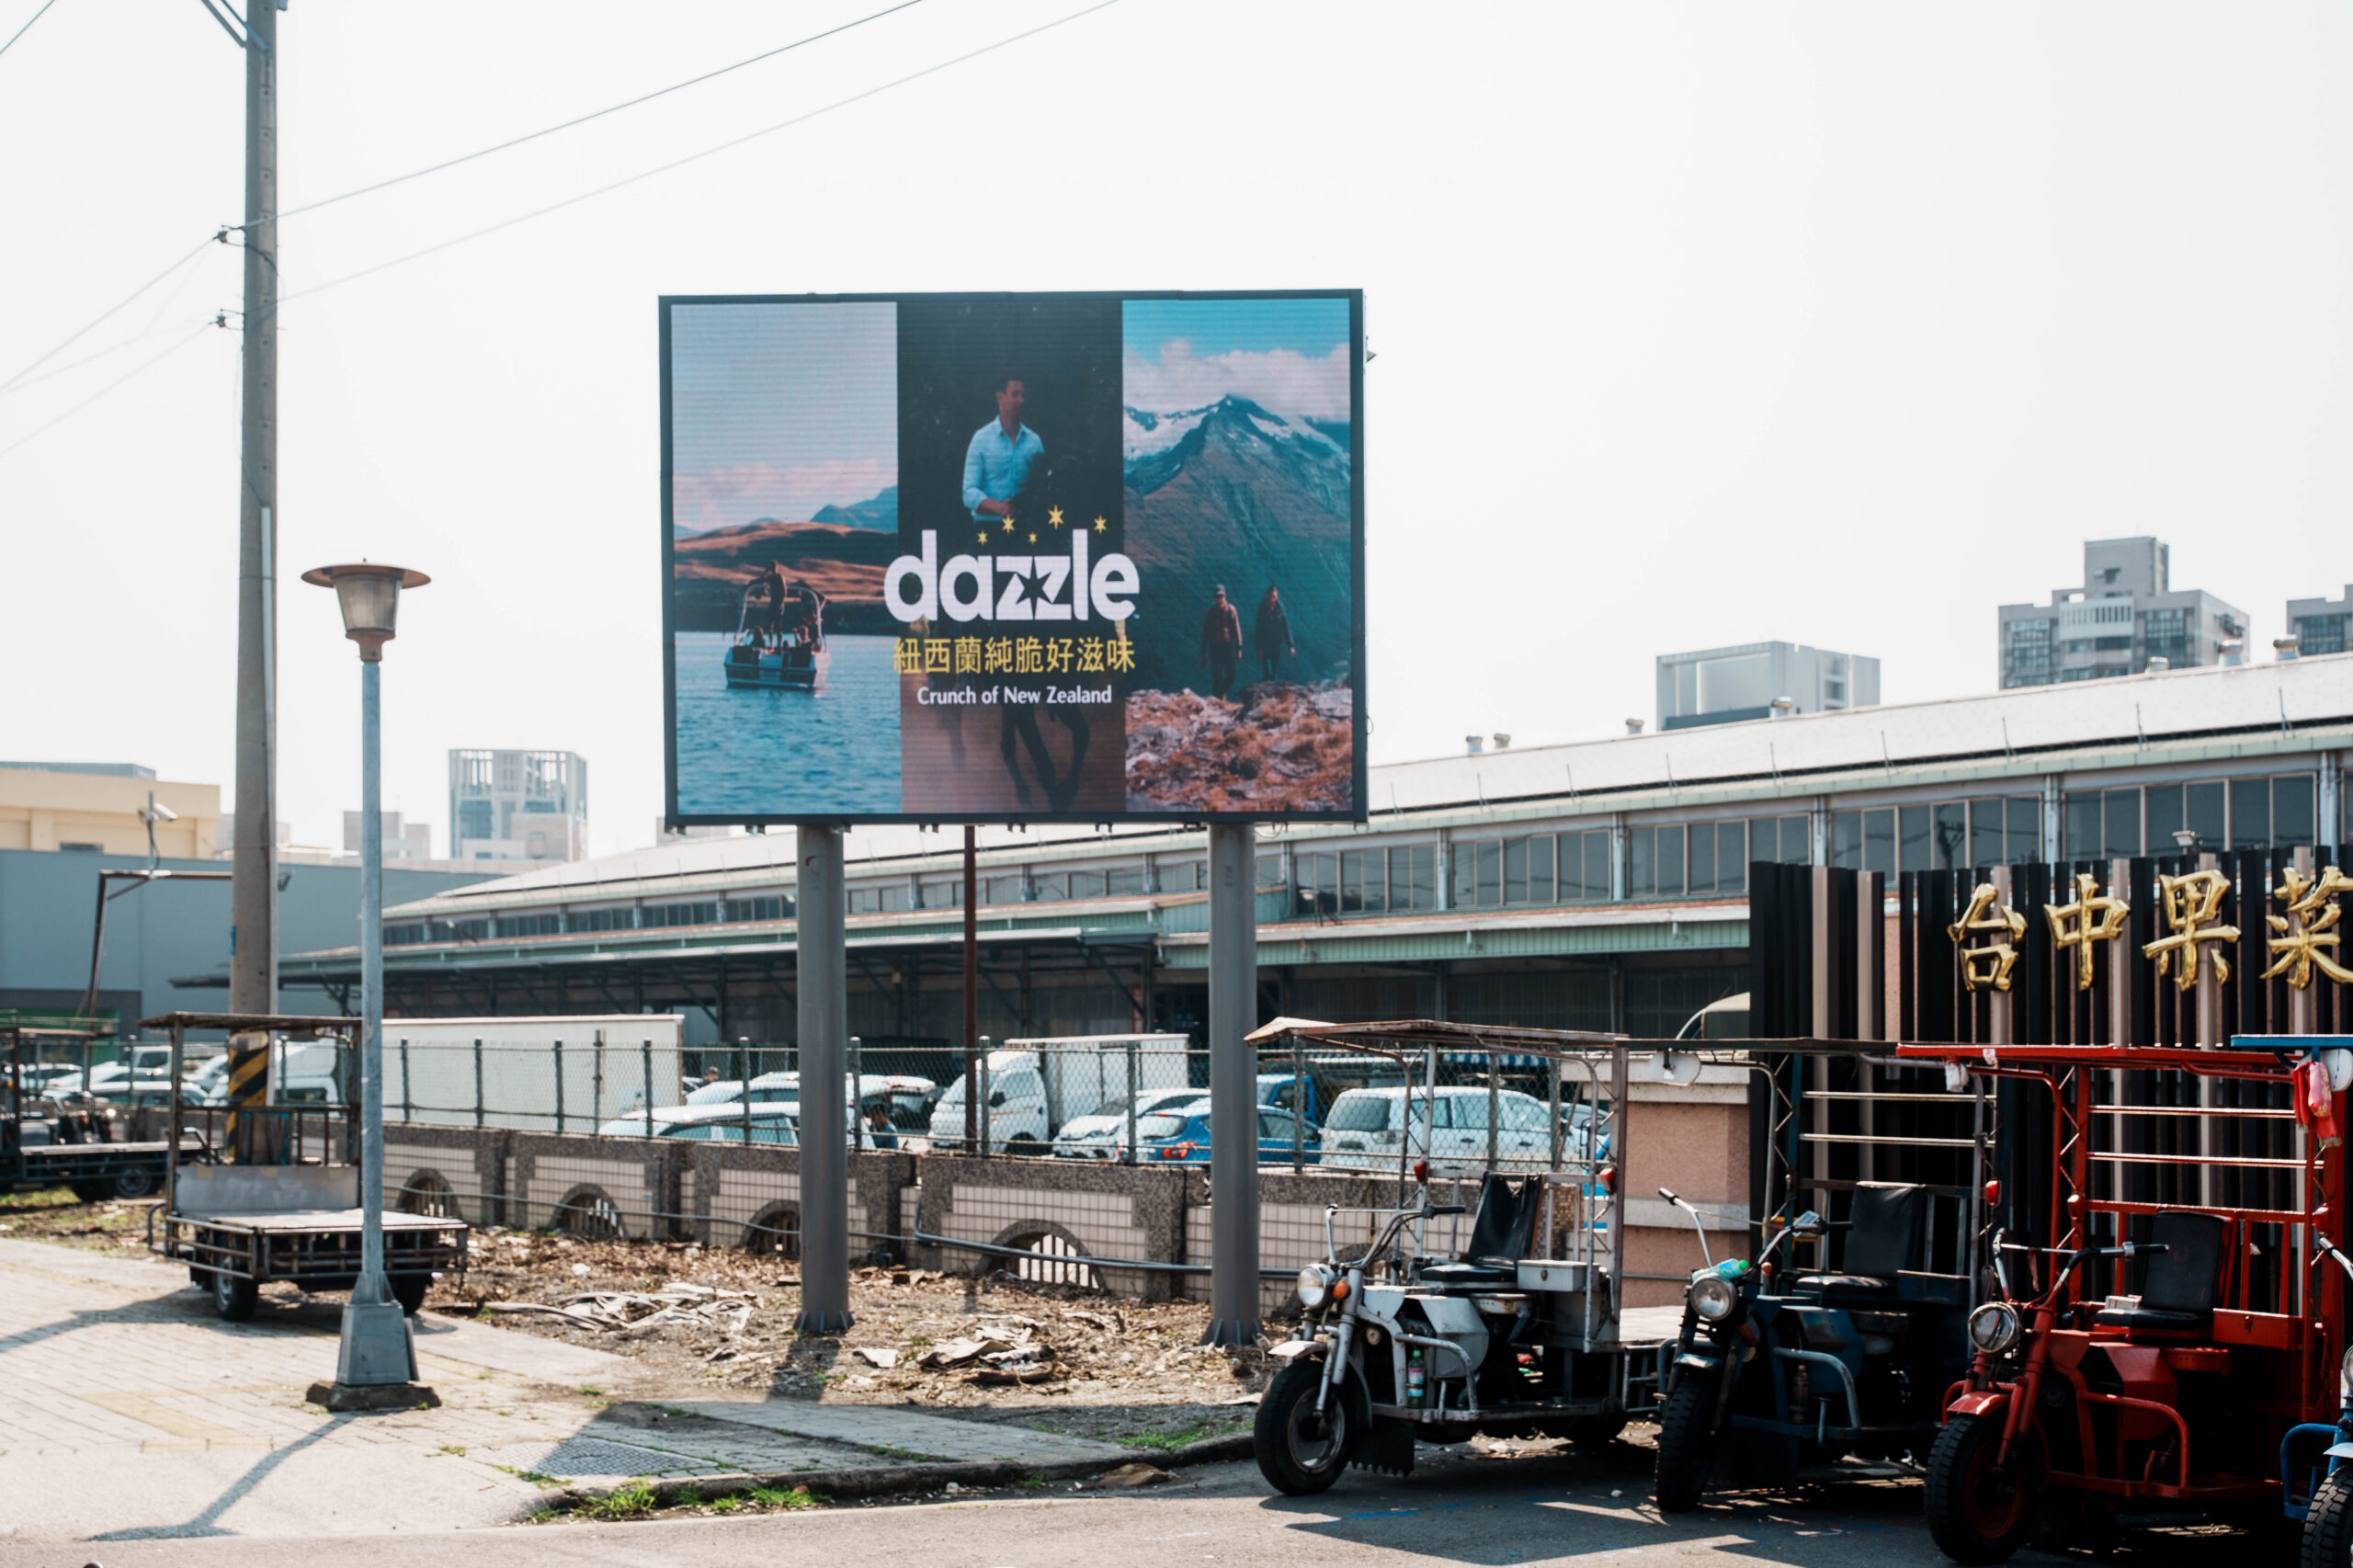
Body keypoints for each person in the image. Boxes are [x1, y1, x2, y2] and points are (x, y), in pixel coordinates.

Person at [961, 376, 1042, 524]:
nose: (1021, 400)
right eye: (1015, 394)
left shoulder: (1034, 442)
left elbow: (1041, 488)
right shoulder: (981, 439)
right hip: (988, 528)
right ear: (1000, 397)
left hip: (1025, 529)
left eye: (1023, 395)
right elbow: (968, 492)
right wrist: (999, 508)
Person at [1199, 583, 1244, 701]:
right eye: (1218, 597)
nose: (1220, 599)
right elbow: (1205, 634)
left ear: (1225, 596)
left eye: (1221, 596)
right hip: (1215, 648)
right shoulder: (1210, 613)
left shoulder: (1231, 611)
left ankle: (1221, 693)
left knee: (1231, 676)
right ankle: (1216, 701)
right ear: (1215, 598)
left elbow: (1236, 630)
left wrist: (1239, 648)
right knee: (1217, 677)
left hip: (1228, 648)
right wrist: (1203, 653)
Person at [1255, 586, 1293, 682]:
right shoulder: (1262, 608)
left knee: (1274, 667)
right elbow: (1258, 629)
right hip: (1265, 643)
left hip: (1276, 642)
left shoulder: (1280, 608)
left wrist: (1290, 645)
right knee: (1267, 668)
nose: (1273, 599)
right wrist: (1259, 648)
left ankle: (1272, 684)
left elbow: (1285, 627)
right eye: (1271, 597)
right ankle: (1266, 683)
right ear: (1268, 596)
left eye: (1275, 597)